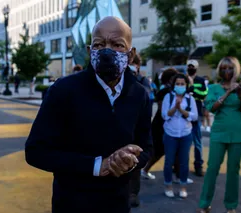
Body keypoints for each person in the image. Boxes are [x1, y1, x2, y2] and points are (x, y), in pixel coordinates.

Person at [25, 16, 152, 213]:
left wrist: (128, 162)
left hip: (118, 204)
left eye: (117, 44)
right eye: (99, 44)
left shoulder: (139, 94)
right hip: (72, 204)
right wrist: (96, 166)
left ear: (130, 54)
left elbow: (146, 148)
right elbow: (36, 151)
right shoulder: (63, 90)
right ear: (89, 51)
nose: (107, 51)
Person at [198, 57, 241, 213]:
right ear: (220, 70)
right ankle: (204, 204)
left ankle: (231, 206)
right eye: (223, 68)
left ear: (236, 69)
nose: (227, 71)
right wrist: (228, 92)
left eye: (230, 68)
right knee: (212, 168)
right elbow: (212, 107)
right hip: (219, 132)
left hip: (238, 133)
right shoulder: (214, 87)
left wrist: (240, 94)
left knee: (233, 170)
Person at [161, 73, 198, 198]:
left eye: (182, 84)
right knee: (169, 161)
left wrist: (181, 110)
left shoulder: (190, 98)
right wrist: (175, 107)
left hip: (185, 134)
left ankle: (183, 186)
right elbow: (165, 115)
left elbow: (194, 116)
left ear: (186, 85)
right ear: (174, 85)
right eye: (178, 84)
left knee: (184, 162)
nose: (180, 86)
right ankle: (168, 185)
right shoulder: (168, 97)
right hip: (170, 133)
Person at [128, 53, 152, 208]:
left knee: (134, 162)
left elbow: (147, 98)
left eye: (134, 64)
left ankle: (133, 193)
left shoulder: (143, 82)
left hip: (137, 127)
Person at [187, 59, 208, 176]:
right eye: (189, 66)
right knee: (184, 141)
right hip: (184, 114)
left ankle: (198, 165)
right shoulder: (183, 79)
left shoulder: (200, 80)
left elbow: (204, 94)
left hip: (197, 114)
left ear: (196, 68)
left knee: (197, 141)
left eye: (192, 66)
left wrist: (191, 87)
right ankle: (180, 165)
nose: (191, 68)